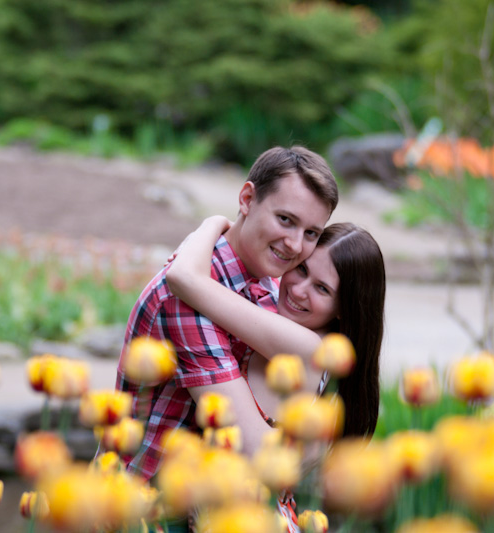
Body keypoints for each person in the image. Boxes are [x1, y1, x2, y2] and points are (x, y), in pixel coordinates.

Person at [115, 146, 338, 481]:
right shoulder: (188, 296)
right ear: (247, 199)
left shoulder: (271, 284)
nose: (294, 245)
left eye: (311, 233)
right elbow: (258, 453)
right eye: (285, 220)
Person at [166, 216, 385, 533]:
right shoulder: (298, 332)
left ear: (343, 308)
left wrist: (213, 223)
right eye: (302, 269)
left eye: (322, 289)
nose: (298, 290)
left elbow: (185, 278)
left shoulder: (308, 348)